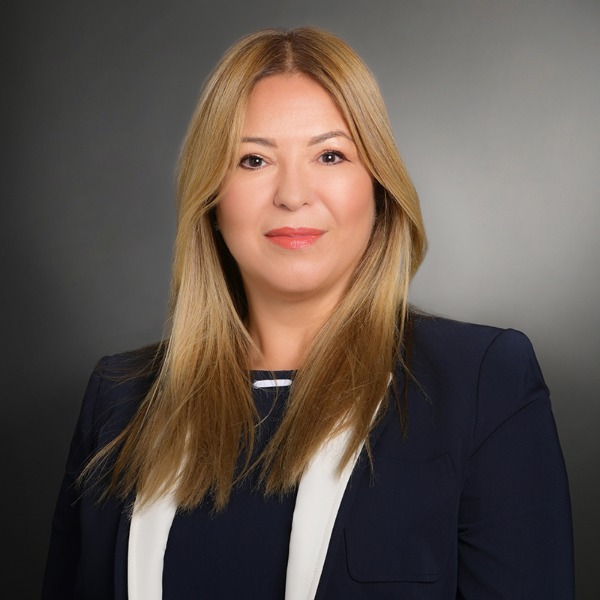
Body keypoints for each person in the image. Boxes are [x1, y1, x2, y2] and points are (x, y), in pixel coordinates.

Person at [42, 27, 574, 599]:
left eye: (330, 155)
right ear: (212, 199)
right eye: (253, 160)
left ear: (378, 188)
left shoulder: (482, 382)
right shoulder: (119, 400)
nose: (293, 194)